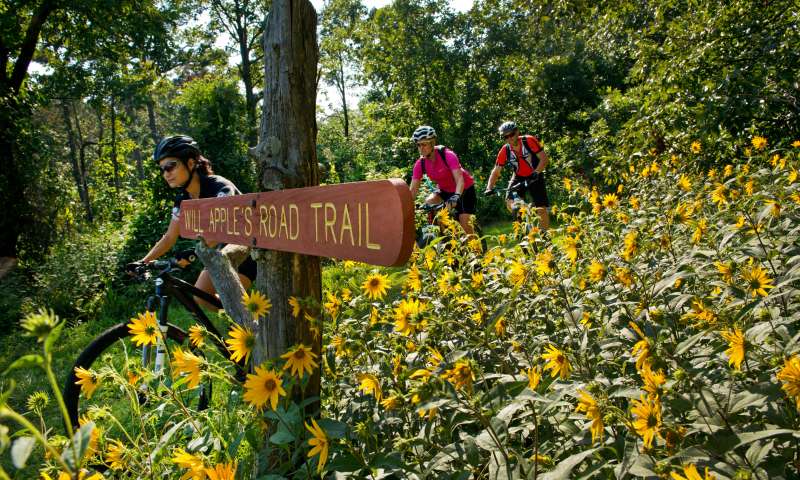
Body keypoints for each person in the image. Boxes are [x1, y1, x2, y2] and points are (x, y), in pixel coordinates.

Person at [132, 135, 256, 309]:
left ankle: (254, 322)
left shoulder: (220, 187)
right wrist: (143, 262)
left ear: (191, 163)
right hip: (221, 252)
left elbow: (221, 227)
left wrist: (194, 252)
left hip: (246, 251)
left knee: (233, 303)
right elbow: (169, 238)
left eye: (170, 166)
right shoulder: (183, 200)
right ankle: (241, 319)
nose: (166, 173)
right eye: (162, 169)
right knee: (202, 298)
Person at [408, 125, 477, 235]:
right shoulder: (420, 164)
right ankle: (446, 236)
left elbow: (460, 180)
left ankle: (476, 251)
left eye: (424, 144)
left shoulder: (448, 155)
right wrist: (405, 206)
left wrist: (456, 196)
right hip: (444, 190)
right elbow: (412, 191)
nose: (421, 148)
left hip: (464, 190)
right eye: (419, 145)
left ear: (432, 143)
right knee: (429, 204)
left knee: (465, 223)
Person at [484, 121, 550, 229]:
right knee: (510, 202)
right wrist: (489, 187)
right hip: (518, 176)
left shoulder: (529, 140)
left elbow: (544, 159)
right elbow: (496, 171)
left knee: (541, 209)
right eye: (505, 137)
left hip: (535, 174)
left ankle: (545, 238)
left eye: (511, 134)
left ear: (517, 132)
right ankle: (523, 223)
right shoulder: (505, 150)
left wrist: (536, 172)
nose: (509, 138)